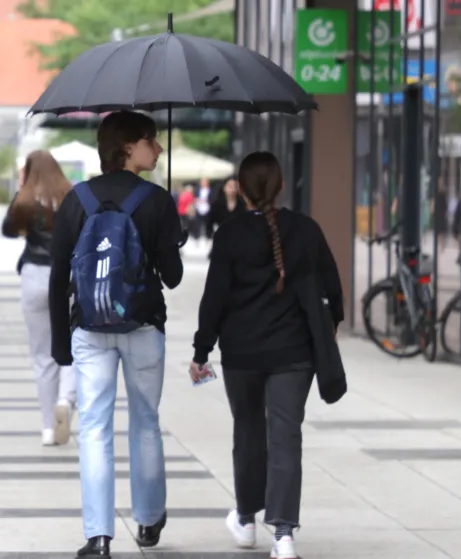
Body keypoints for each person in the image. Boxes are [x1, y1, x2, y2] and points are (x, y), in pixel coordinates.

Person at [190, 151, 343, 559]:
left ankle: (245, 519)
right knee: (285, 436)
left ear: (240, 189)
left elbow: (215, 297)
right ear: (281, 186)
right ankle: (284, 535)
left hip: (241, 353)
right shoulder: (307, 230)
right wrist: (330, 326)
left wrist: (202, 349)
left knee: (248, 431)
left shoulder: (230, 234)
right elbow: (333, 288)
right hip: (294, 353)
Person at [49, 110, 184, 558]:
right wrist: (172, 242)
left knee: (94, 427)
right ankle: (148, 519)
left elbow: (58, 276)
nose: (159, 149)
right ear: (128, 147)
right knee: (145, 421)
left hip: (89, 328)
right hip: (143, 326)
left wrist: (59, 342)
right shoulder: (157, 200)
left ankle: (99, 536)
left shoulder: (78, 199)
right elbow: (173, 277)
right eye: (151, 140)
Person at [2, 150, 77, 446]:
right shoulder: (71, 196)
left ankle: (48, 427)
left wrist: (22, 189)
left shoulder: (26, 200)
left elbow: (7, 230)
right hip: (66, 275)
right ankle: (66, 400)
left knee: (43, 355)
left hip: (34, 275)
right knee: (71, 345)